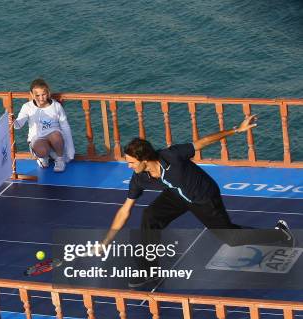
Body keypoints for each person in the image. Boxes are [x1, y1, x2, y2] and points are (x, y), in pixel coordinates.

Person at [96, 115, 294, 287]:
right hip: (177, 194)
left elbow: (204, 141)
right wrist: (106, 241)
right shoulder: (139, 178)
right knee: (150, 216)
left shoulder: (172, 155)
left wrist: (237, 129)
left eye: (131, 162)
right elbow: (125, 210)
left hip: (203, 196)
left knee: (232, 239)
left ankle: (280, 234)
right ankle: (149, 271)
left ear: (145, 159)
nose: (128, 166)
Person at [9, 79, 75, 172]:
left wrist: (70, 150)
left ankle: (60, 159)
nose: (41, 98)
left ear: (48, 93)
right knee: (42, 150)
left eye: (43, 94)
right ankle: (44, 157)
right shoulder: (27, 107)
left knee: (56, 135)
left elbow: (65, 127)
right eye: (37, 95)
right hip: (37, 139)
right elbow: (18, 125)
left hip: (54, 137)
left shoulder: (56, 106)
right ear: (31, 94)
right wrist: (13, 121)